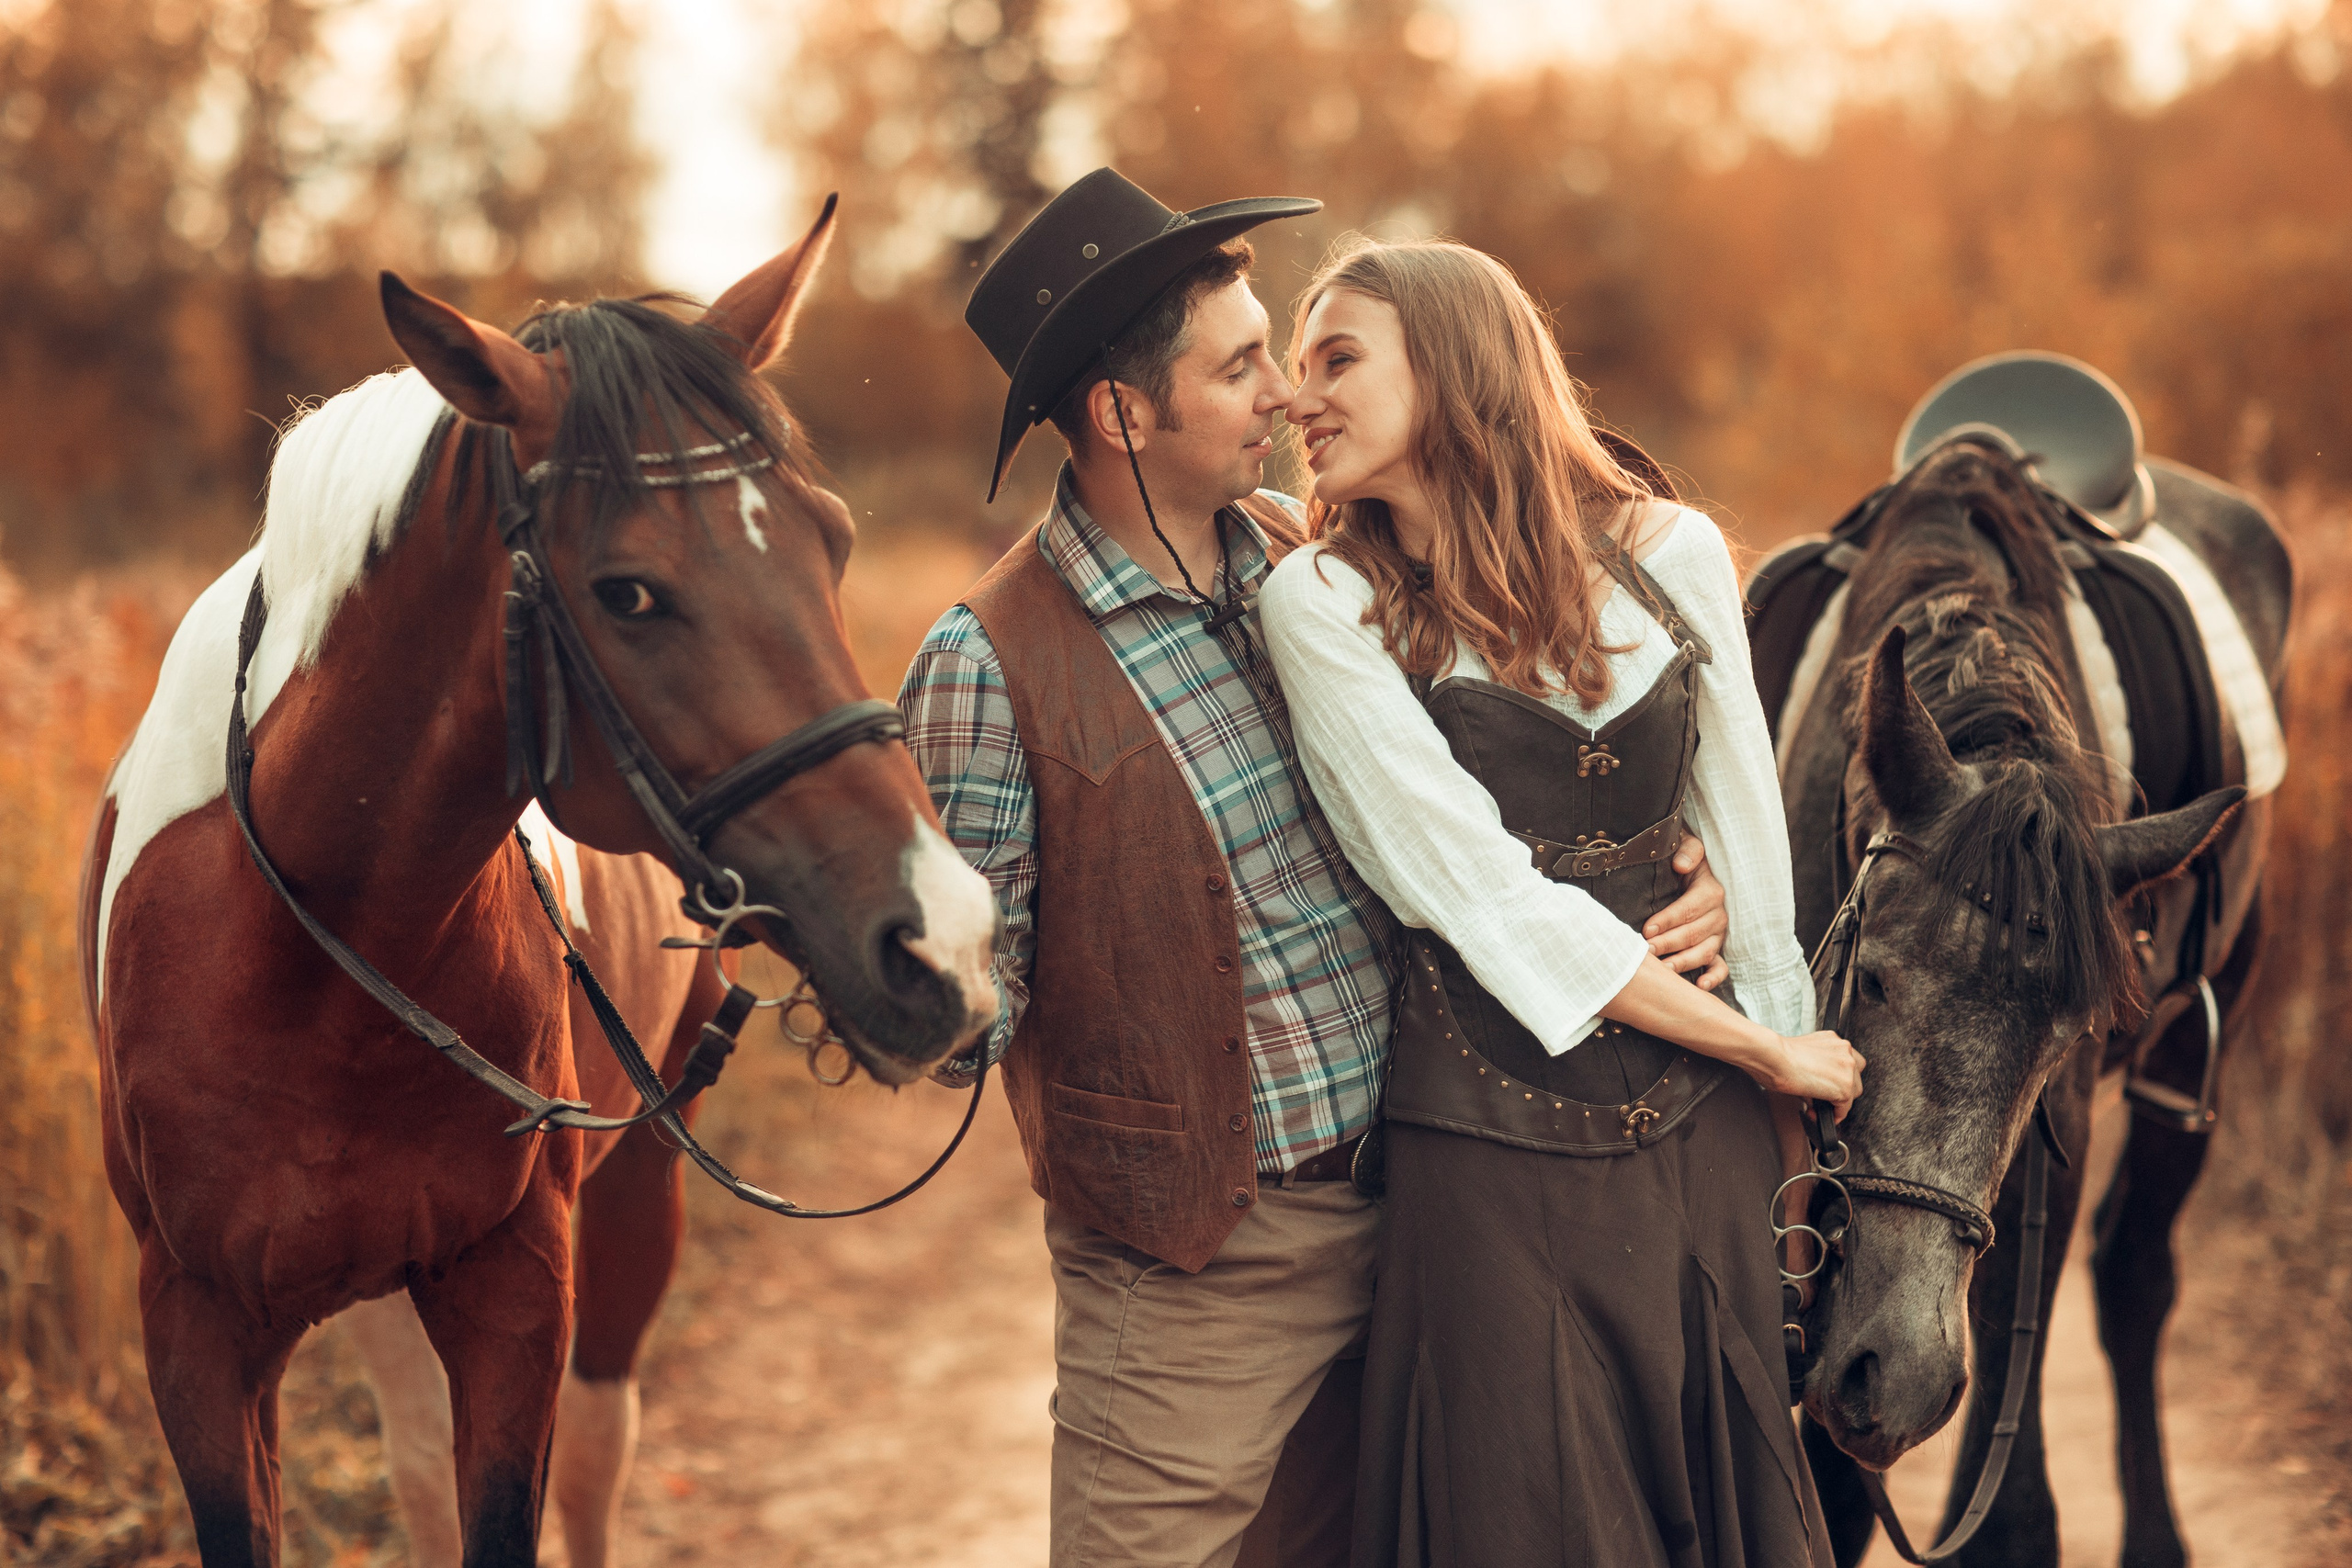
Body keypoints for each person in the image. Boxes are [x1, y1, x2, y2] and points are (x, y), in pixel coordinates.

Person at [896, 172, 1736, 1568]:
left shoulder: (1315, 563)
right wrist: (898, 956)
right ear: (1123, 416)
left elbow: (1494, 808)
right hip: (1195, 1275)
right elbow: (957, 1026)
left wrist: (1677, 862)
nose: (1286, 395)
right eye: (1240, 368)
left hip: (1426, 1208)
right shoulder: (986, 663)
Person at [1256, 237, 1865, 1568]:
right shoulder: (1322, 599)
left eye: (1338, 360)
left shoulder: (1673, 551)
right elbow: (1476, 896)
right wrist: (1762, 1047)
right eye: (1297, 372)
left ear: (1459, 359)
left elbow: (1750, 846)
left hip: (1704, 1146)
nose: (1300, 401)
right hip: (1489, 1151)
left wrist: (1789, 1110)